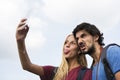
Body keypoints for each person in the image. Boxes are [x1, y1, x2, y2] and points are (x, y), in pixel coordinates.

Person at [16, 19, 92, 80]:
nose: (67, 45)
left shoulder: (87, 74)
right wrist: (20, 41)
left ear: (79, 50)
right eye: (65, 43)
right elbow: (27, 66)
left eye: (72, 43)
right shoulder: (53, 72)